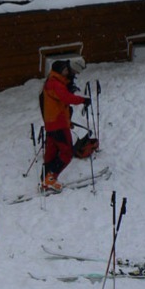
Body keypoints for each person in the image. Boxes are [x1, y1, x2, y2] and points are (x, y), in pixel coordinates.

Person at [41, 60, 91, 192]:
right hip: (59, 124)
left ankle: (45, 178)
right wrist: (83, 100)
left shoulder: (51, 81)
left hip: (51, 123)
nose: (67, 71)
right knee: (67, 152)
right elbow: (67, 98)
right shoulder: (55, 84)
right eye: (64, 69)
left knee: (51, 152)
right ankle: (50, 178)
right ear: (59, 71)